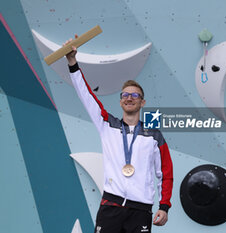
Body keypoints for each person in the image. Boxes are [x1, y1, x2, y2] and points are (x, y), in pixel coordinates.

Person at [64, 38, 173, 233]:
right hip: (111, 207)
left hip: (141, 210)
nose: (129, 98)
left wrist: (164, 206)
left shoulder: (154, 135)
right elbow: (86, 96)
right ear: (120, 101)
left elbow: (165, 173)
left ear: (143, 102)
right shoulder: (107, 125)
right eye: (125, 95)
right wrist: (73, 63)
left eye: (135, 95)